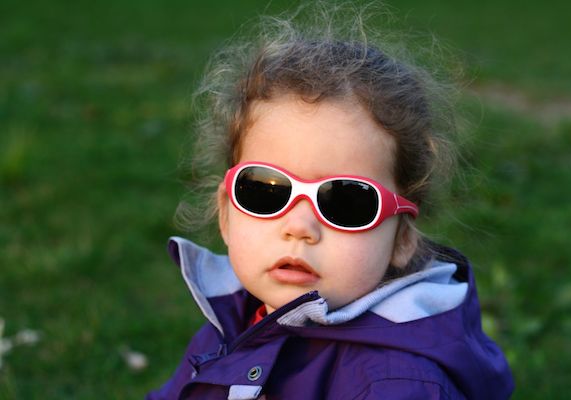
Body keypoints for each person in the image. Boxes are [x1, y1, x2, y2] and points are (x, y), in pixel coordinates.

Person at [147, 5, 514, 400]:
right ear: (227, 212)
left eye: (345, 202)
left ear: (402, 239)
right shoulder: (234, 316)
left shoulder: (396, 383)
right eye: (266, 190)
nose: (299, 227)